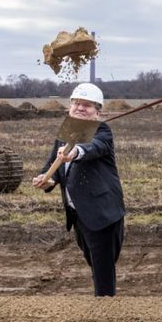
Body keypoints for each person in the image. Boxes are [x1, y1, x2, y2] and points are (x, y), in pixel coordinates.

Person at [32, 82, 126, 297]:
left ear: (97, 112)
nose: (81, 108)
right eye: (77, 104)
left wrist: (75, 153)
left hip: (102, 213)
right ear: (70, 107)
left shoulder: (102, 130)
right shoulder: (66, 131)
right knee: (93, 263)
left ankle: (105, 309)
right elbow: (53, 167)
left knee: (103, 269)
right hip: (79, 213)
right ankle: (103, 303)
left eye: (88, 105)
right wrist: (47, 180)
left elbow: (94, 148)